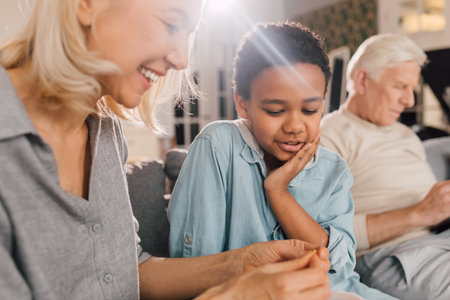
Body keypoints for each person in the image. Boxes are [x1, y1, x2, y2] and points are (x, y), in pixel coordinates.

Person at [0, 0, 333, 299]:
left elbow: (129, 275)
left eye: (188, 35)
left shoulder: (104, 131)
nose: (181, 59)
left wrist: (243, 264)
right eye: (172, 24)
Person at [168, 22, 395, 299]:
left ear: (323, 101)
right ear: (243, 104)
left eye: (310, 110)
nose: (295, 126)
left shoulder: (333, 169)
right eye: (275, 111)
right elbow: (195, 264)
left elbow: (339, 265)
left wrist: (279, 192)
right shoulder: (219, 145)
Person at [320, 33, 450, 300]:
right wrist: (420, 214)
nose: (410, 101)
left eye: (412, 88)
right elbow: (324, 233)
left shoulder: (406, 135)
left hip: (440, 241)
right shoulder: (331, 135)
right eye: (400, 86)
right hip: (392, 255)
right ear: (362, 80)